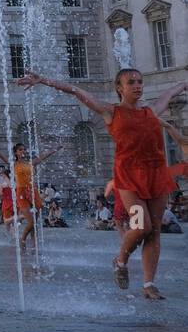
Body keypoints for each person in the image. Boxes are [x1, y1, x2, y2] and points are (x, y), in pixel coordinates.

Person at [17, 69, 188, 298]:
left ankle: (149, 284)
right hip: (129, 179)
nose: (137, 86)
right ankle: (120, 261)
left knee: (154, 231)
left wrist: (184, 84)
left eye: (139, 82)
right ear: (120, 88)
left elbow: (172, 90)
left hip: (156, 175)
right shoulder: (111, 112)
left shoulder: (151, 111)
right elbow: (76, 91)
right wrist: (43, 81)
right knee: (141, 226)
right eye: (131, 83)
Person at [0, 143, 59, 252]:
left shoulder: (30, 163)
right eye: (21, 150)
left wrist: (56, 148)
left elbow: (44, 156)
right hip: (21, 192)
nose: (23, 151)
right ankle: (23, 240)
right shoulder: (13, 164)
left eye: (24, 149)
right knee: (30, 222)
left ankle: (34, 246)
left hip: (33, 192)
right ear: (16, 152)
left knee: (34, 223)